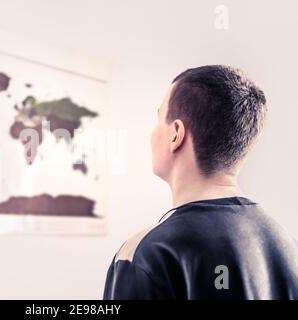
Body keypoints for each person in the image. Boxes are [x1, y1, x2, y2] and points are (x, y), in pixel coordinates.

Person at [103, 65, 298, 299]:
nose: (152, 134)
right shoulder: (288, 245)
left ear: (176, 133)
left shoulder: (148, 254)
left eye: (158, 119)